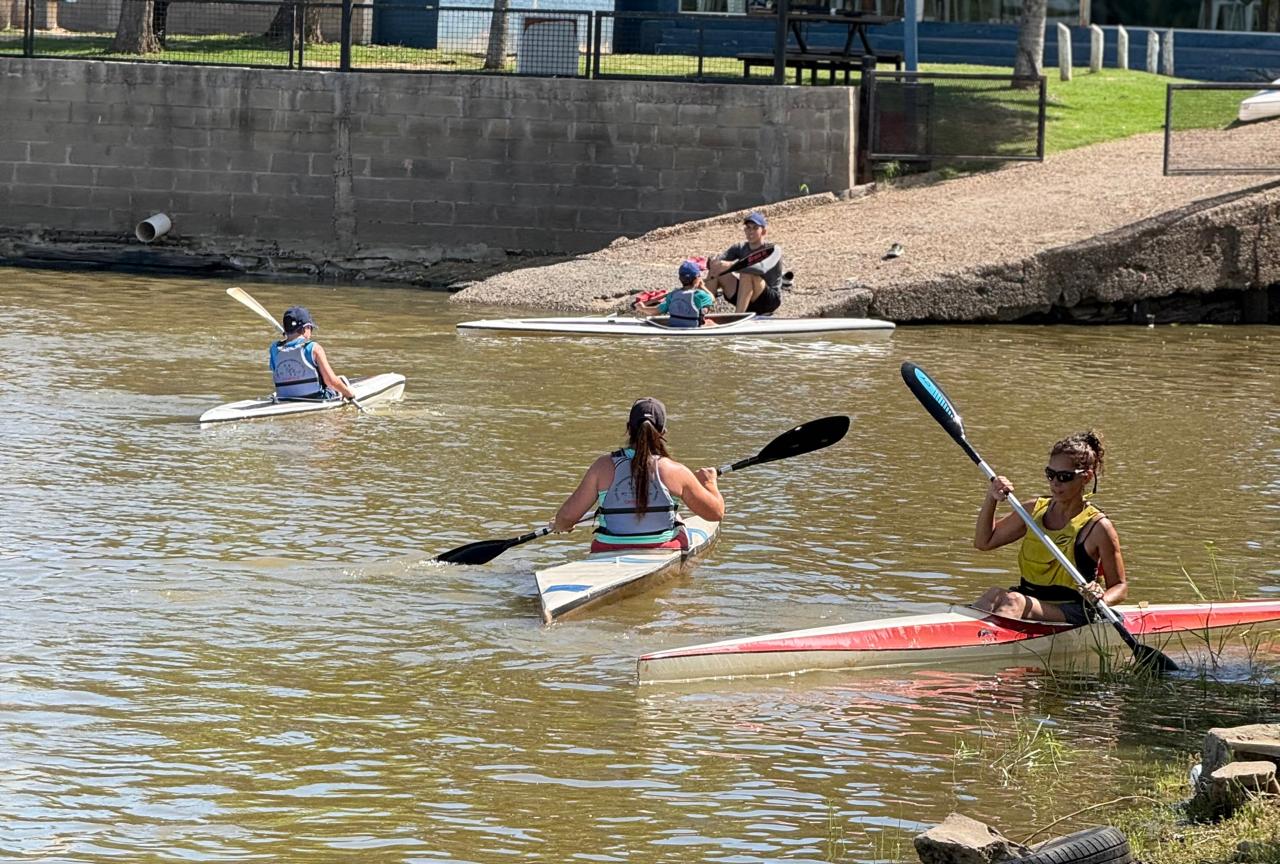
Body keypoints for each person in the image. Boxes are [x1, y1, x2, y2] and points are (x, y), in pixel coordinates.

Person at [972, 430, 1128, 625]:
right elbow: (983, 542)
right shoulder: (1032, 510)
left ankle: (989, 650)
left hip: (1075, 608)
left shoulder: (1098, 527)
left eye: (1064, 477)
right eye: (1050, 474)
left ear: (1086, 477)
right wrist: (991, 498)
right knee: (993, 595)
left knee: (1013, 600)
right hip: (1029, 600)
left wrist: (1101, 597)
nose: (1055, 483)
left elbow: (1120, 587)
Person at [553, 397, 725, 552]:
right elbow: (715, 513)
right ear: (663, 433)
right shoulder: (676, 471)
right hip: (662, 547)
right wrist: (709, 483)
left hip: (607, 549)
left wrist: (564, 524)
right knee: (678, 519)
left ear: (629, 429)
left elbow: (566, 517)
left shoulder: (602, 466)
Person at [269, 306, 358, 403]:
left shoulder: (274, 349)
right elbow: (331, 381)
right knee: (341, 380)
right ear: (305, 328)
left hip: (284, 399)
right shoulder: (314, 348)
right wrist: (349, 394)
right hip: (316, 399)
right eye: (311, 328)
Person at [707, 211, 784, 315]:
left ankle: (737, 316)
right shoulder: (740, 247)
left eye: (755, 228)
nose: (750, 231)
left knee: (747, 272)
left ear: (764, 231)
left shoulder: (773, 249)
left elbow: (761, 268)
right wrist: (713, 262)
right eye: (748, 228)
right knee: (716, 269)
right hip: (746, 297)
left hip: (768, 300)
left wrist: (732, 265)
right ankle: (704, 312)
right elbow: (716, 264)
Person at [636, 260, 717, 328]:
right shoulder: (700, 295)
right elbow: (712, 298)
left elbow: (656, 311)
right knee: (710, 322)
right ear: (696, 279)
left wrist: (642, 308)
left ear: (680, 278)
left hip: (674, 325)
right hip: (694, 327)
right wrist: (703, 287)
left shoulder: (672, 295)